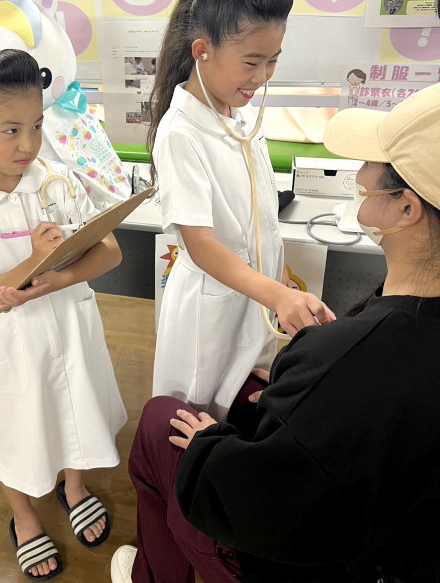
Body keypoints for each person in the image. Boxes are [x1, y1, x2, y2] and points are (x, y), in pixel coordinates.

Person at [112, 81, 440, 583]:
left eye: (373, 163)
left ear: (406, 208)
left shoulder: (342, 356)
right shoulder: (182, 130)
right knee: (236, 392)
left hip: (299, 553)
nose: (361, 174)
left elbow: (266, 498)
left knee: (162, 421)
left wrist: (211, 447)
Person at [0, 49, 127, 580]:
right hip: (14, 342)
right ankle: (23, 516)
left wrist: (60, 278)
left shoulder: (58, 180)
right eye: (11, 130)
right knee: (18, 428)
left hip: (70, 323)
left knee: (76, 408)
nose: (28, 144)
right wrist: (34, 262)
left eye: (37, 126)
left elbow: (110, 252)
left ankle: (74, 486)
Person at [147, 0, 335, 424]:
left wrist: (279, 288)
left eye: (273, 60)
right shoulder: (181, 131)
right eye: (252, 62)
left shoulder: (240, 113)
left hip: (252, 297)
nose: (263, 75)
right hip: (210, 310)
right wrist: (276, 294)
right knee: (193, 419)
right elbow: (201, 245)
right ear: (202, 51)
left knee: (236, 410)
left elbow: (260, 216)